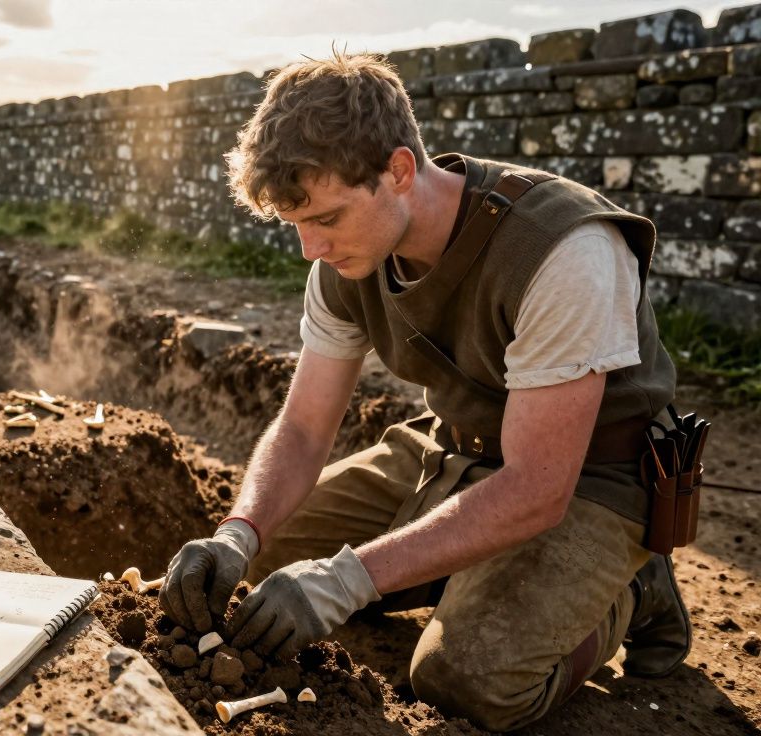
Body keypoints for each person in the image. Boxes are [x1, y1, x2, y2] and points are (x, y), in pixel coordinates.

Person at [158, 52, 690, 732]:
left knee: (465, 679)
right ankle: (459, 572)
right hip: (454, 452)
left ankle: (631, 589)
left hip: (591, 481)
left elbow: (535, 488)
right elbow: (303, 429)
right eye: (295, 223)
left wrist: (346, 580)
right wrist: (239, 533)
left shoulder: (564, 253)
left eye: (324, 218)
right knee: (266, 572)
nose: (308, 249)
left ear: (399, 172)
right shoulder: (345, 256)